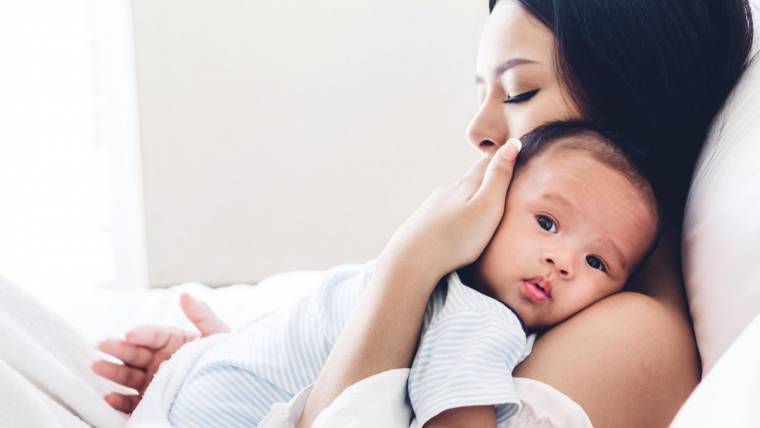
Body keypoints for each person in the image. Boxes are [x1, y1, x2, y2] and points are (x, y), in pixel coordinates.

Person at [95, 0, 754, 426]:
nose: (478, 129)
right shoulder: (528, 286)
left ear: (630, 106)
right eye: (481, 91)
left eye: (519, 89)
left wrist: (410, 262)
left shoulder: (631, 336)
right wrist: (237, 368)